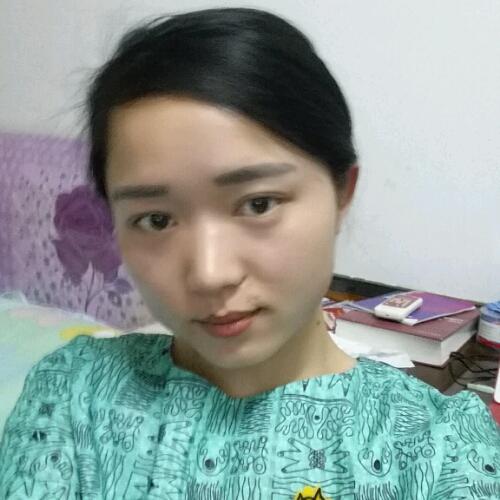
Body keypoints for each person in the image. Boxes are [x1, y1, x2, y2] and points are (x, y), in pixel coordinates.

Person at [0, 7, 498, 499]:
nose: (209, 274)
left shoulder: (438, 451)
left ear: (341, 193)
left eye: (258, 204)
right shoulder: (73, 396)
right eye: (156, 219)